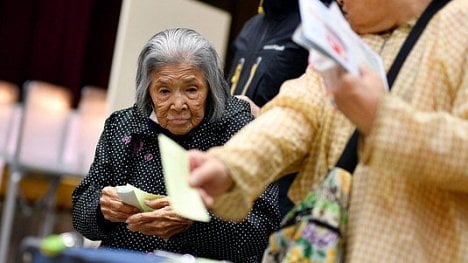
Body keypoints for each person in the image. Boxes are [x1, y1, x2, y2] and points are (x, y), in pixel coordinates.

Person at [188, 0, 468, 262]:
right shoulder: (348, 32)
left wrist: (383, 121)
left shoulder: (460, 23)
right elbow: (297, 111)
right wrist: (232, 165)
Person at [72, 28, 281, 263]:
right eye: (164, 91)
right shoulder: (123, 126)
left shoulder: (239, 127)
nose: (178, 104)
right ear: (148, 91)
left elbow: (261, 229)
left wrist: (194, 224)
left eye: (192, 90)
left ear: (210, 88)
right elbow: (81, 213)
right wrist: (102, 210)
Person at [227, 0, 310, 217]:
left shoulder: (312, 25)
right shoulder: (251, 26)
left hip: (281, 176)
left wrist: (259, 114)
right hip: (237, 161)